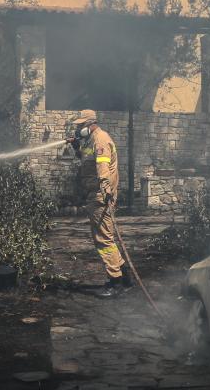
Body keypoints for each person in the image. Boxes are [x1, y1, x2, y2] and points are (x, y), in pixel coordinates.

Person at [67, 109, 130, 299]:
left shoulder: (100, 139)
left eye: (80, 125)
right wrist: (77, 148)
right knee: (106, 237)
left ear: (90, 124)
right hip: (95, 195)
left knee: (103, 240)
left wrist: (106, 191)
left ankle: (115, 283)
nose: (78, 129)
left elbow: (103, 168)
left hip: (100, 195)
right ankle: (125, 279)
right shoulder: (91, 140)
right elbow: (88, 161)